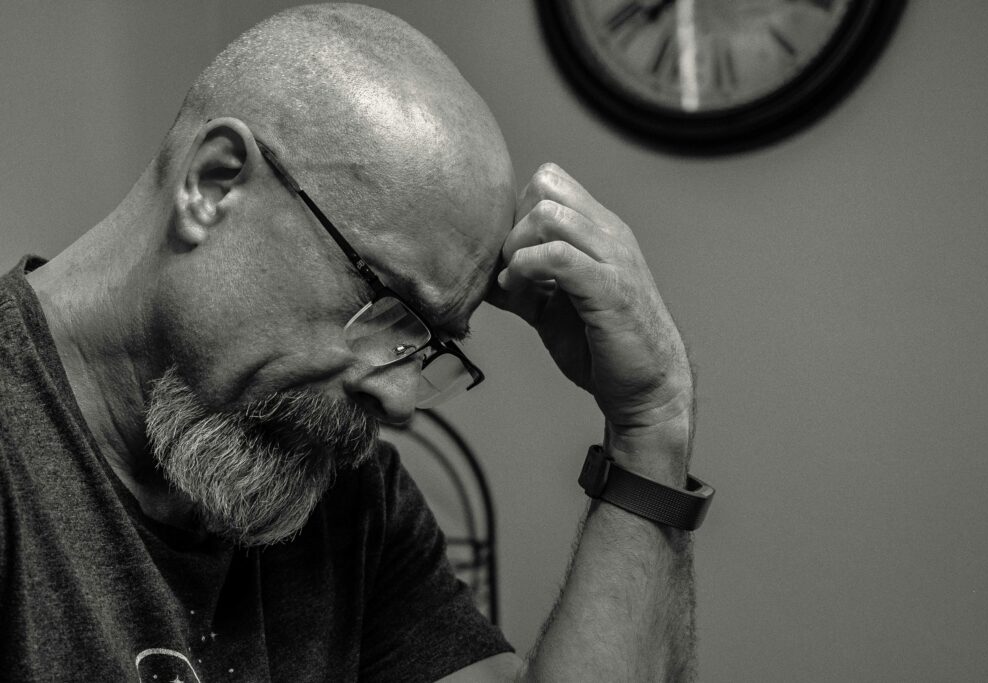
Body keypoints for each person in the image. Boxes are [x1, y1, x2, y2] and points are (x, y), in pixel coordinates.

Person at [0, 4, 707, 681]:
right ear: (213, 184)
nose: (400, 399)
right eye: (385, 305)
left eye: (428, 344)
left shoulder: (344, 495)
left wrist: (650, 421)